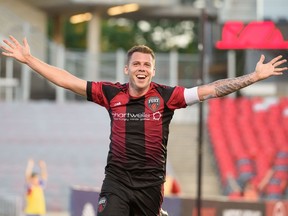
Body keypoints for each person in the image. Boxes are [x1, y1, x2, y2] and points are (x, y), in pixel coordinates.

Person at [1, 36, 287, 216]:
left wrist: (252, 77)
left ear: (153, 70)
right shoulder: (110, 93)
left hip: (151, 184)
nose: (141, 67)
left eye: (147, 64)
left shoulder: (167, 96)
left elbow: (211, 89)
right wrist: (29, 60)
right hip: (117, 181)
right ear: (127, 69)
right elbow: (67, 79)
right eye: (136, 63)